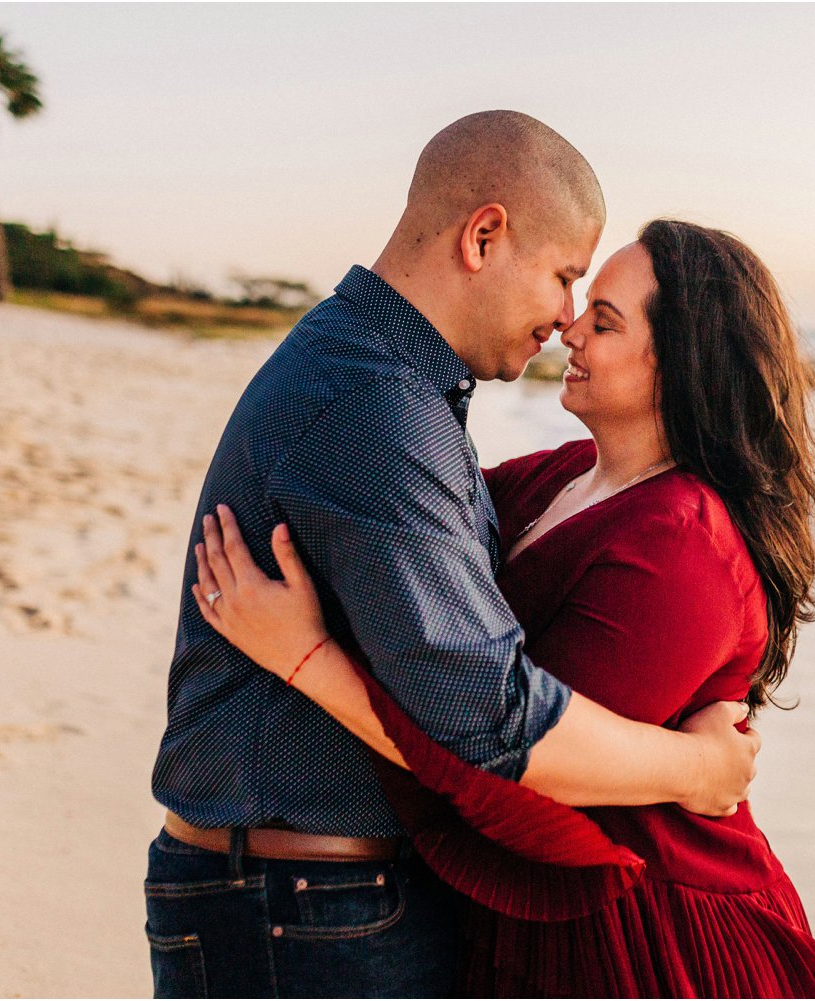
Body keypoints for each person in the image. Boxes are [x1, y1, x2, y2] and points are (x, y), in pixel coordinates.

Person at [146, 113, 762, 999]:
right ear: (484, 236)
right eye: (562, 278)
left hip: (302, 892)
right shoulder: (379, 408)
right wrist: (698, 768)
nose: (564, 319)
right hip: (304, 904)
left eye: (593, 305)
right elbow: (487, 718)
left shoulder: (385, 380)